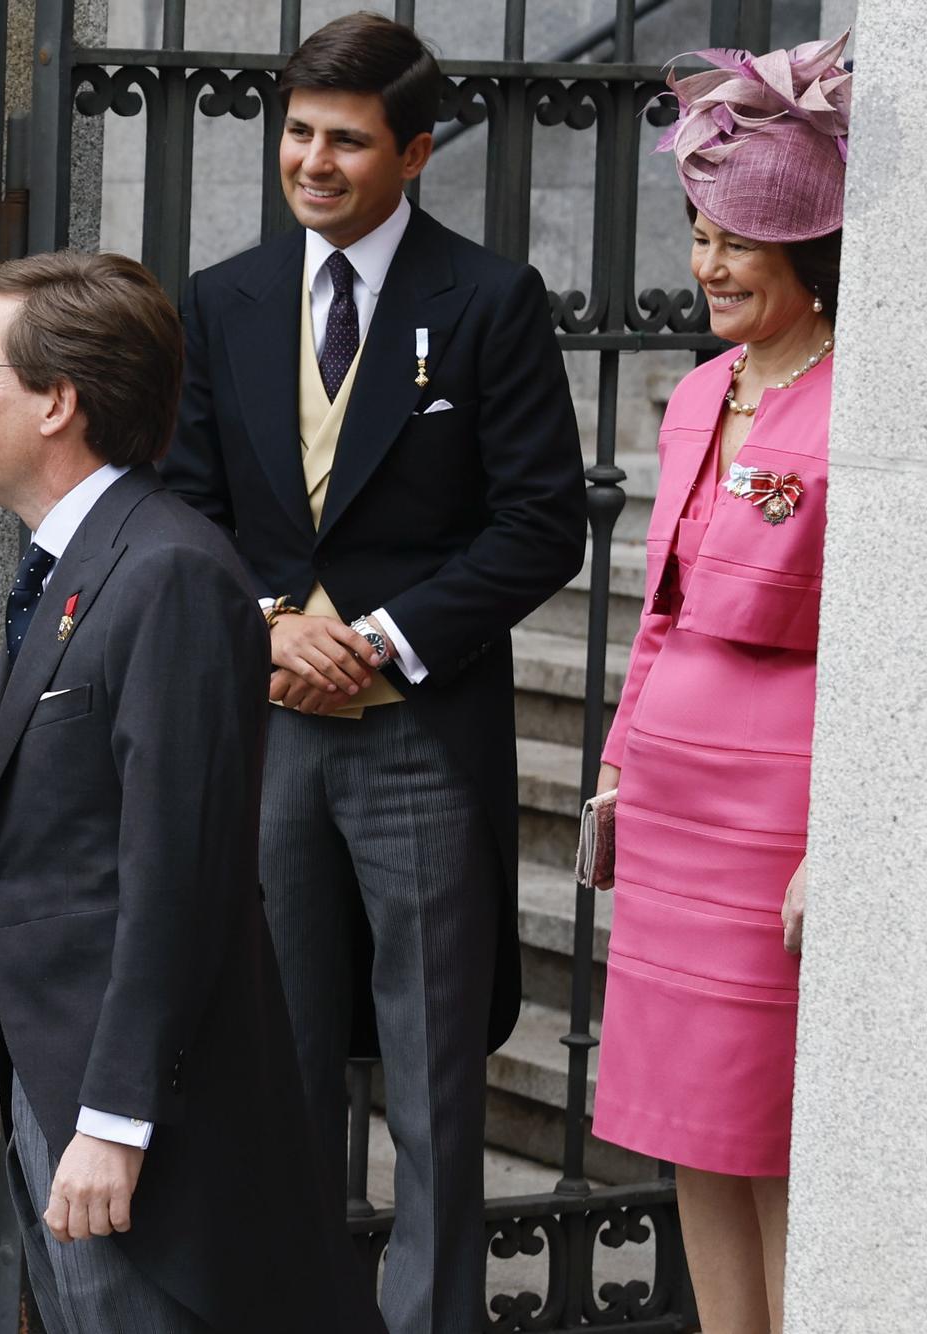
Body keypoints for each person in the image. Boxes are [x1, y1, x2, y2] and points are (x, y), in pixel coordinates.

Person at [0, 251, 384, 1334]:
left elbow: (181, 869)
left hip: (138, 1114)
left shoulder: (165, 572)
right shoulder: (85, 561)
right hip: (62, 1078)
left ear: (56, 401)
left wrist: (113, 1118)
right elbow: (54, 823)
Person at [159, 14, 587, 1333]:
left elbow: (539, 523)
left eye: (346, 140)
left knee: (434, 1071)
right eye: (298, 132)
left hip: (422, 737)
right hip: (274, 726)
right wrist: (277, 624)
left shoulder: (490, 301)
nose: (313, 161)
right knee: (273, 1057)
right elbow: (185, 509)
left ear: (415, 150)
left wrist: (386, 639)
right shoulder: (220, 299)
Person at [592, 33, 849, 1334]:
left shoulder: (862, 405)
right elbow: (659, 608)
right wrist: (621, 760)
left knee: (782, 1127)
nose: (708, 267)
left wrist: (842, 839)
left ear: (806, 251)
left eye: (736, 242)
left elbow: (880, 650)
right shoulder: (696, 393)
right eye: (699, 237)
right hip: (679, 805)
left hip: (783, 810)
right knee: (691, 1127)